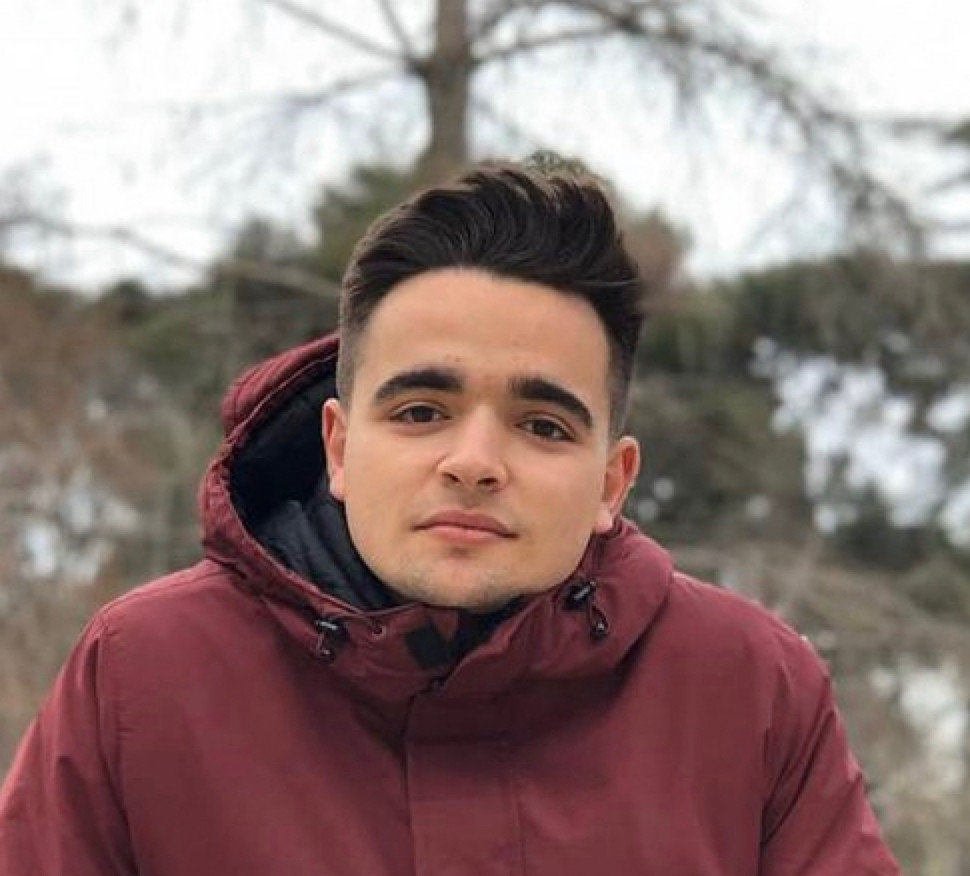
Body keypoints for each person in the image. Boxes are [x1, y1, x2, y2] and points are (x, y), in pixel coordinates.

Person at [0, 158, 901, 875]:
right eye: (422, 411)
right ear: (340, 447)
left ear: (610, 483)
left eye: (542, 425)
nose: (474, 461)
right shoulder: (143, 675)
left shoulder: (750, 690)